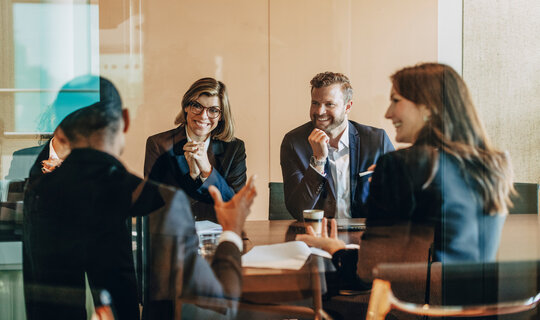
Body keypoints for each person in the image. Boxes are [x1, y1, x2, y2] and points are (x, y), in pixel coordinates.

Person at [23, 78, 256, 320]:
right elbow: (218, 296)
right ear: (124, 120)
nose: (204, 115)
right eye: (197, 106)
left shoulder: (37, 194)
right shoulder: (153, 198)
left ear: (61, 129)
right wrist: (231, 231)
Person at [297, 63, 514, 291]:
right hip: (478, 310)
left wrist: (333, 248)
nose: (388, 113)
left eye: (396, 100)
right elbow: (441, 255)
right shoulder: (493, 164)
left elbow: (369, 271)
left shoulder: (399, 165)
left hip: (417, 310)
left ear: (428, 108)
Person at [280, 72, 394, 220]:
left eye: (329, 104)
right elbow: (298, 210)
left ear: (347, 107)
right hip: (317, 234)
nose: (320, 111)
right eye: (315, 103)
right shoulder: (294, 142)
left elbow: (398, 198)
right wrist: (318, 161)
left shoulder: (377, 140)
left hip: (365, 234)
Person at [145, 77, 247, 221]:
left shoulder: (234, 148)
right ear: (186, 107)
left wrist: (207, 171)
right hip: (173, 237)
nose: (203, 116)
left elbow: (235, 206)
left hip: (219, 235)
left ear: (221, 116)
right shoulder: (158, 144)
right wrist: (192, 176)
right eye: (197, 106)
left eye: (213, 110)